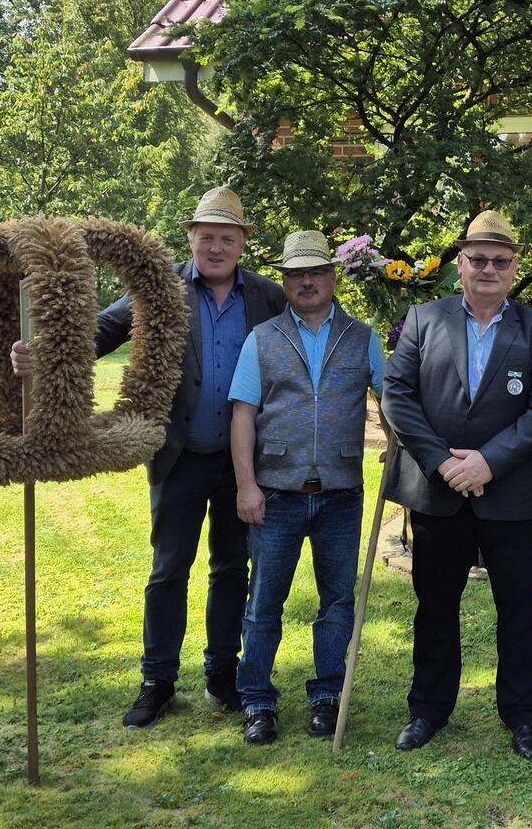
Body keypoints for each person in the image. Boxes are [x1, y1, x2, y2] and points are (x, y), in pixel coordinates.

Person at [10, 187, 286, 728]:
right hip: (179, 455)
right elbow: (101, 331)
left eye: (227, 239)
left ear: (242, 245)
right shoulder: (158, 289)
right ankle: (158, 680)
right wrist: (41, 354)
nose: (216, 247)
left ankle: (222, 674)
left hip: (245, 463)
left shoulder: (267, 297)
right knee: (169, 570)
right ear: (191, 239)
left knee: (233, 568)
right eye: (207, 237)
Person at [380, 210, 532, 760]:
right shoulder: (422, 318)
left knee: (522, 608)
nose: (488, 268)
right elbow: (397, 397)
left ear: (514, 268)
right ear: (460, 263)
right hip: (438, 494)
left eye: (500, 260)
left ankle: (523, 715)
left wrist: (488, 462)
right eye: (478, 258)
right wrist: (442, 463)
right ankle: (428, 709)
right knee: (435, 604)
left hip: (513, 494)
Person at [225, 230, 385, 745]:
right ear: (286, 281)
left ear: (333, 278)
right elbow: (243, 415)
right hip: (275, 494)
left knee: (337, 602)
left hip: (341, 494)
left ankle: (327, 696)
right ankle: (257, 700)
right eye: (297, 274)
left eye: (316, 272)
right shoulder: (263, 337)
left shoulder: (363, 337)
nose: (307, 282)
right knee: (263, 602)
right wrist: (246, 485)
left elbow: (394, 400)